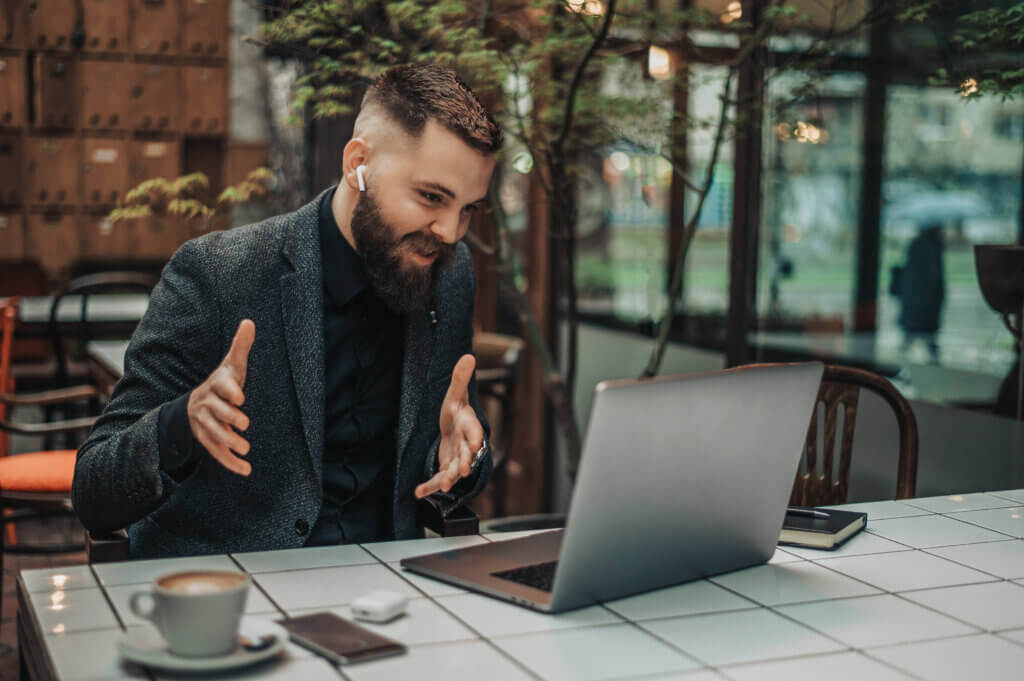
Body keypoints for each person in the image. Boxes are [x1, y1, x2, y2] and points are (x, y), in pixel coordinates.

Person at [72, 64, 501, 558]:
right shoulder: (218, 274)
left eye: (468, 208)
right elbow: (93, 489)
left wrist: (468, 452)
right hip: (237, 597)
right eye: (431, 197)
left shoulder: (448, 274)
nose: (450, 230)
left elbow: (451, 443)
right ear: (358, 163)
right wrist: (180, 424)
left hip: (387, 589)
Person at [896, 223, 946, 362]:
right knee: (926, 334)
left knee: (912, 334)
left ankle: (901, 359)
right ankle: (934, 361)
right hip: (926, 300)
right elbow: (934, 276)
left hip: (914, 298)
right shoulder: (933, 246)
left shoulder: (916, 244)